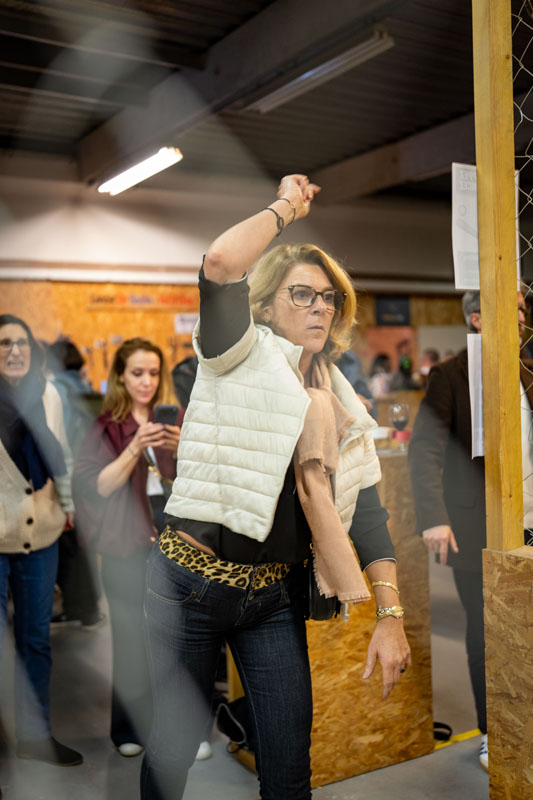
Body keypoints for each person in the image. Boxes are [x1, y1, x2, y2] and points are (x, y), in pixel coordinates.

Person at [140, 174, 411, 800]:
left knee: (289, 770)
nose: (321, 307)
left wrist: (390, 614)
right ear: (264, 306)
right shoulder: (235, 352)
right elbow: (218, 263)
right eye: (302, 294)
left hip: (271, 597)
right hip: (189, 588)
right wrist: (288, 207)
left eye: (329, 298)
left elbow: (367, 509)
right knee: (174, 751)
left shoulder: (339, 395)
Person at [408, 289, 532, 773]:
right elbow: (425, 449)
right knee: (486, 634)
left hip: (529, 522)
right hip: (475, 525)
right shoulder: (451, 375)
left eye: (522, 309)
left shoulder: (527, 368)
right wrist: (433, 517)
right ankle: (492, 733)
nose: (520, 317)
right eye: (510, 308)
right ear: (478, 318)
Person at [72, 338, 182, 758]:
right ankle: (128, 727)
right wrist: (135, 447)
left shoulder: (176, 421)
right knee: (130, 637)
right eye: (137, 373)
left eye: (154, 373)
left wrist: (182, 448)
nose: (147, 382)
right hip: (126, 544)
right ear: (120, 376)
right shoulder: (107, 427)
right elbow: (97, 486)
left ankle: (180, 728)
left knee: (178, 638)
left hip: (174, 540)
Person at [0, 314, 82, 766]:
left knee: (35, 640)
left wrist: (68, 505)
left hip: (42, 531)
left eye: (22, 343)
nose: (14, 351)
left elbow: (59, 451)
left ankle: (35, 736)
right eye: (4, 343)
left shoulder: (48, 392)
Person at [46, 339, 104, 629]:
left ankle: (79, 607)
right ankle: (88, 607)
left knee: (69, 546)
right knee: (82, 546)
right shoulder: (85, 386)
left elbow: (59, 438)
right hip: (92, 474)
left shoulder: (57, 389)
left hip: (70, 475)